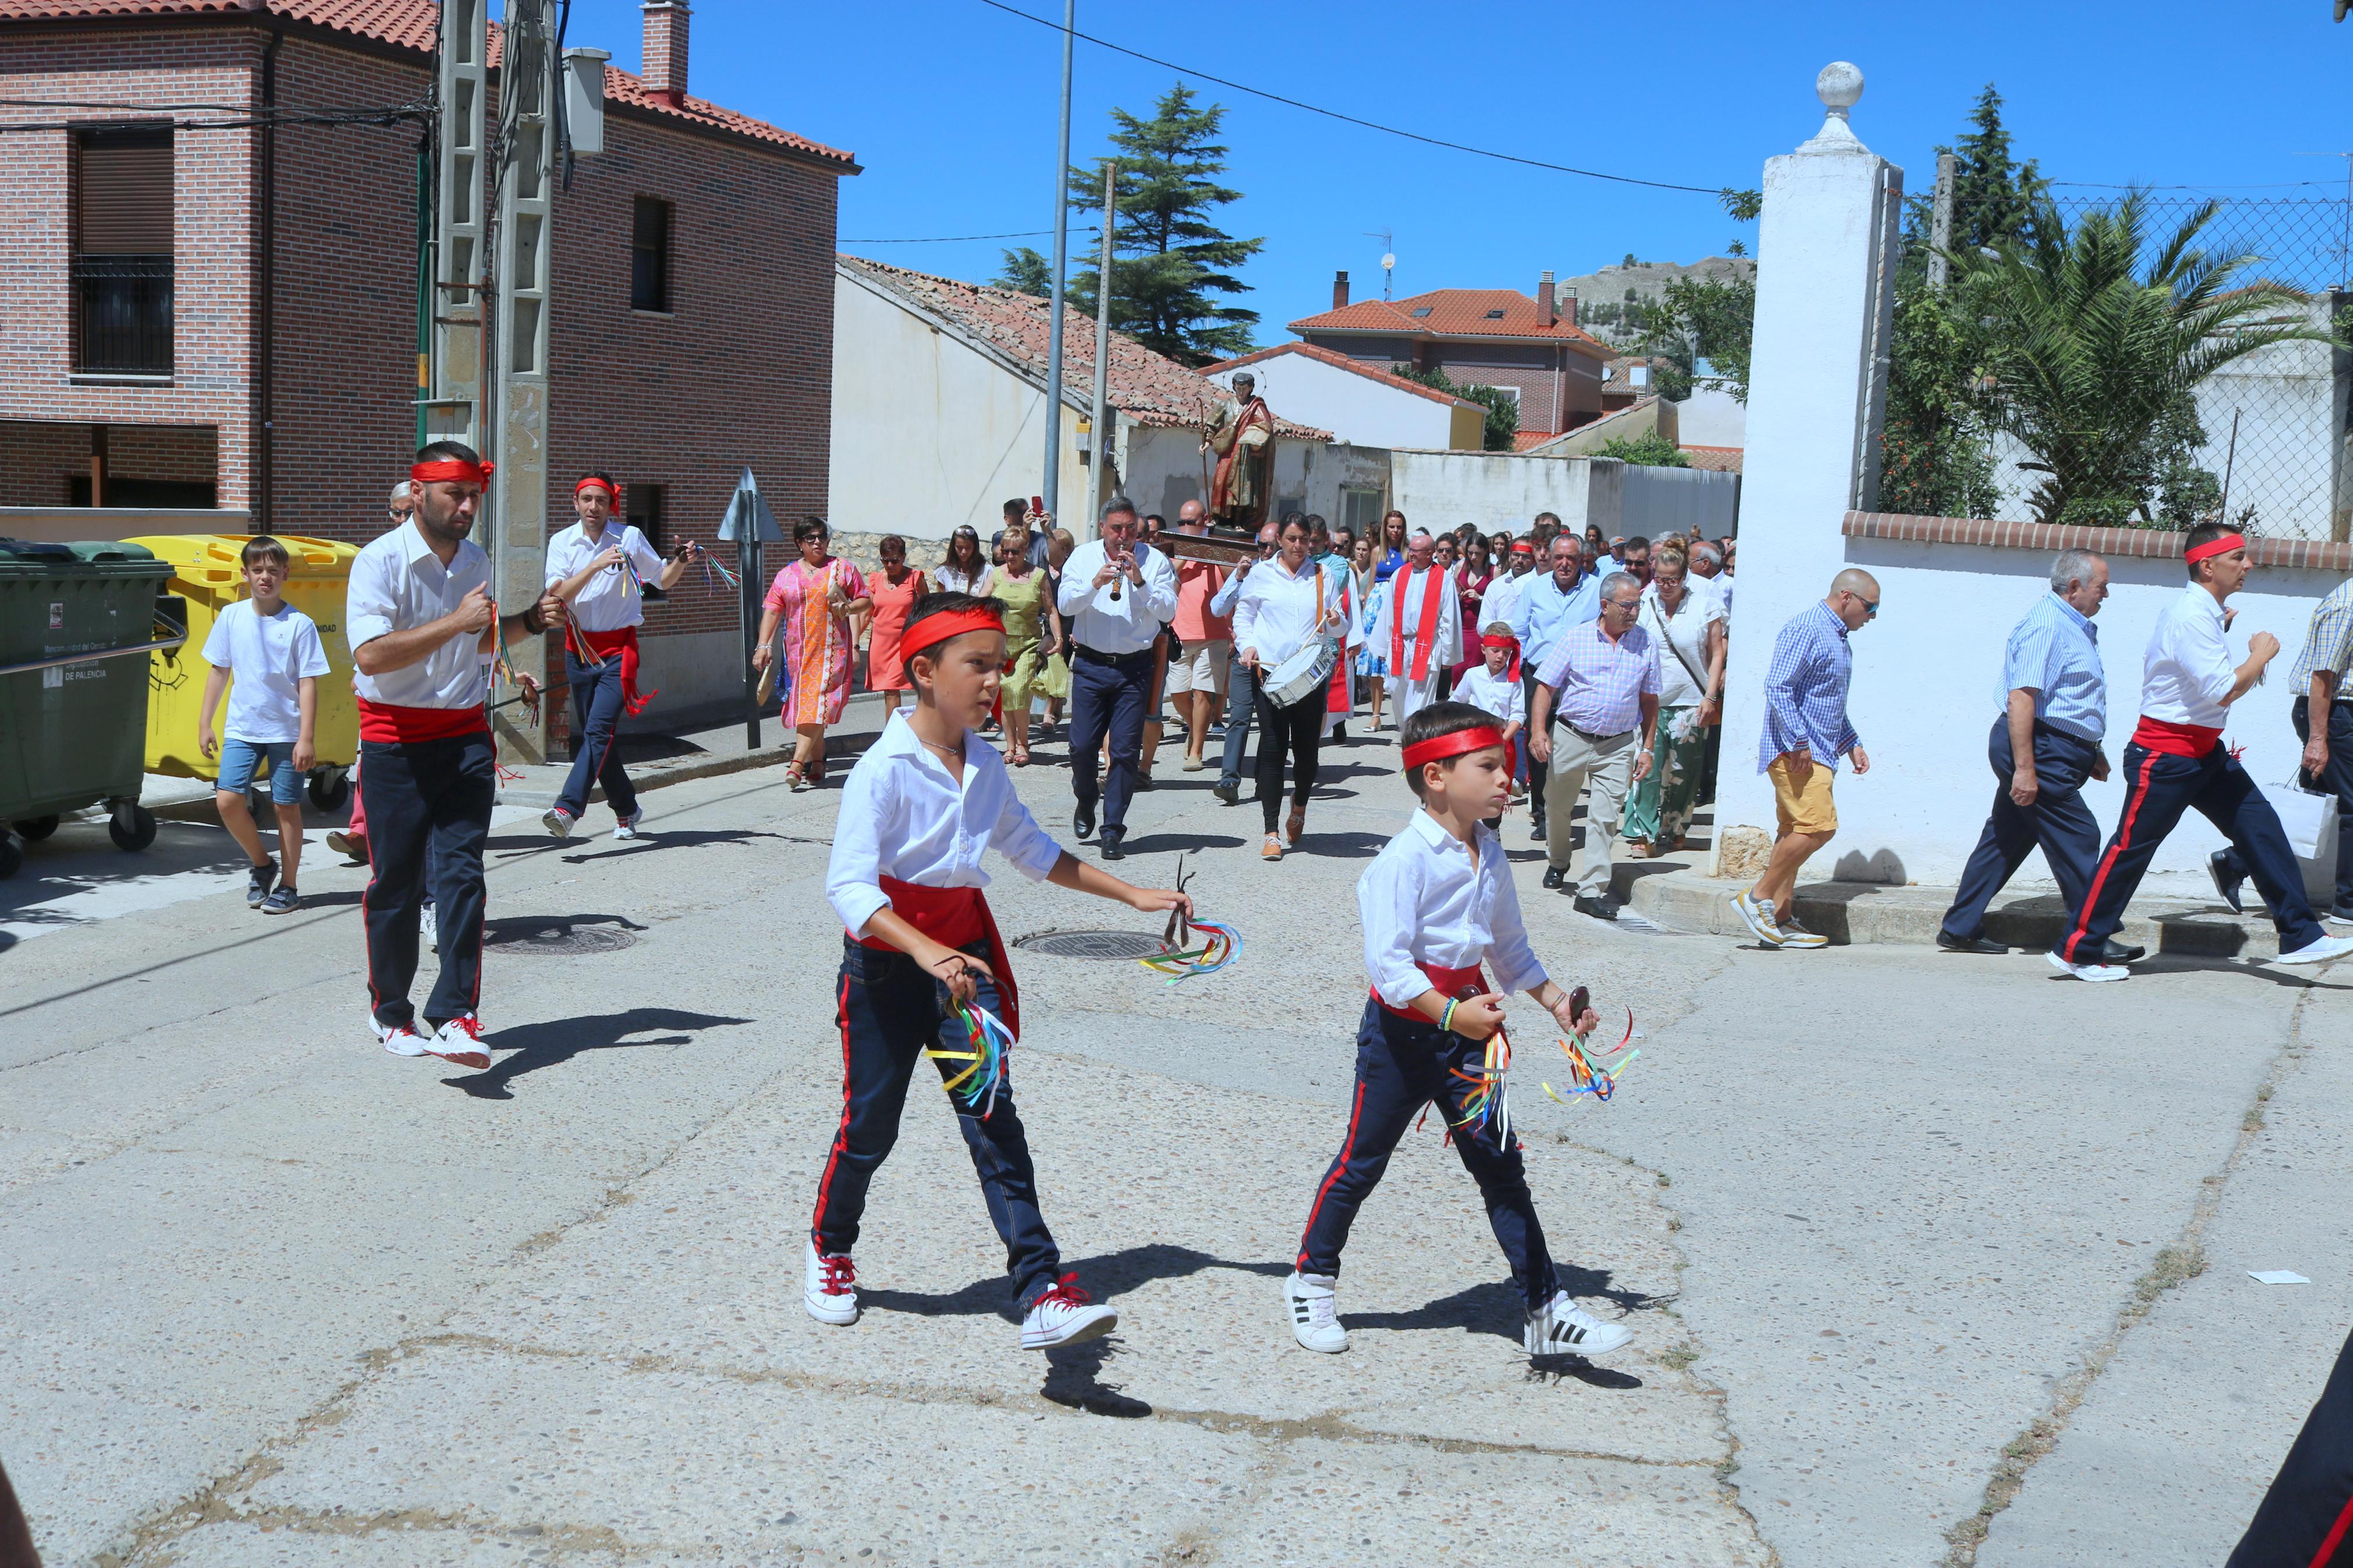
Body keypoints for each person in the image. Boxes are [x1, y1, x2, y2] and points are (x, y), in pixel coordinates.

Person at [814, 591, 1193, 1347]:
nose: (995, 681)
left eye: (1001, 665)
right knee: (868, 1127)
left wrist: (1129, 894)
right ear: (923, 670)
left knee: (993, 1122)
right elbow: (848, 887)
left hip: (966, 965)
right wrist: (924, 950)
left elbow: (1032, 851)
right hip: (888, 970)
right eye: (978, 665)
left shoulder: (984, 763)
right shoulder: (883, 768)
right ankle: (830, 1247)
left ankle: (1040, 1286)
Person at [1282, 701, 1634, 1360]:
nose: (1507, 779)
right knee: (1361, 1162)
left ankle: (1545, 1308)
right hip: (1403, 1036)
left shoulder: (1489, 849)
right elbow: (1388, 968)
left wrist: (1555, 1000)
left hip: (1471, 1033)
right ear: (1436, 776)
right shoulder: (1401, 861)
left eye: (1503, 767)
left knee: (1501, 1170)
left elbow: (1507, 946)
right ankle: (1310, 1280)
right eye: (1489, 767)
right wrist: (1448, 1013)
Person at [2052, 526, 2353, 980]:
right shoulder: (2191, 615)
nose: (2247, 564)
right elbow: (2222, 691)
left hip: (2203, 753)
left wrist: (2227, 631)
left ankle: (2300, 935)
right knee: (2129, 851)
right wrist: (2261, 654)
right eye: (2238, 557)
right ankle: (2076, 948)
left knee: (2261, 828)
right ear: (2208, 566)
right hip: (2165, 755)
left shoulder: (2204, 613)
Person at [349, 440, 566, 1066]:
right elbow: (370, 656)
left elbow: (478, 643)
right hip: (393, 742)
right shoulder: (378, 562)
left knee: (462, 877)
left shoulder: (475, 559)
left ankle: (455, 1016)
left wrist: (531, 619)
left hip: (465, 737)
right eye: (457, 494)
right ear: (418, 493)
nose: (469, 506)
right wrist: (456, 621)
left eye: (476, 494)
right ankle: (391, 1013)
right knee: (396, 883)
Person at [1935, 551, 2139, 958]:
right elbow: (2021, 698)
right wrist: (2025, 769)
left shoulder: (2071, 625)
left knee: (2006, 837)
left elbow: (2066, 697)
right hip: (2037, 747)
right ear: (2076, 587)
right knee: (2079, 835)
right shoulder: (2046, 626)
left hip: (2052, 745)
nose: (2107, 595)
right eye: (2102, 587)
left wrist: (2089, 748)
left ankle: (1959, 926)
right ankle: (2089, 937)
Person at [541, 473, 697, 840]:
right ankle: (626, 807)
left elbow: (662, 579)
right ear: (575, 503)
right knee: (600, 738)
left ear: (612, 505)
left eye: (601, 501)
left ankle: (567, 809)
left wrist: (680, 562)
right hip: (578, 649)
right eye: (587, 500)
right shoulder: (562, 542)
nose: (594, 507)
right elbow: (557, 593)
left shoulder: (629, 538)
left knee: (597, 731)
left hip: (619, 651)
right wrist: (595, 565)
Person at [1731, 570, 1879, 952]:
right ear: (1846, 596)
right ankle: (1757, 897)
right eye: (1870, 606)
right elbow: (1778, 686)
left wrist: (1851, 742)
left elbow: (1825, 700)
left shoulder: (1837, 637)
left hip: (1818, 749)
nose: (1872, 615)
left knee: (1793, 830)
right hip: (1796, 751)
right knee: (1818, 828)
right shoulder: (1807, 627)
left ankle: (1780, 917)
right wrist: (1797, 741)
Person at [196, 535, 329, 914]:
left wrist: (306, 737)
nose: (265, 577)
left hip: (287, 733)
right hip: (242, 728)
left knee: (287, 806)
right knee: (227, 800)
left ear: (285, 574)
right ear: (245, 574)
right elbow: (219, 670)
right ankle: (262, 863)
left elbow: (308, 683)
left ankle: (288, 885)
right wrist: (205, 722)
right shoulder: (231, 616)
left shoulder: (300, 624)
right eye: (258, 570)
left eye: (273, 570)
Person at [1528, 573, 1658, 921]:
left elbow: (1649, 700)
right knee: (1558, 806)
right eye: (1627, 605)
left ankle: (1591, 891)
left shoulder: (1646, 643)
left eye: (1637, 605)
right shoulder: (1576, 638)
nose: (1634, 612)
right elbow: (1545, 687)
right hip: (1571, 736)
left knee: (1605, 817)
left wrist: (1647, 748)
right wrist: (1539, 731)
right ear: (1605, 606)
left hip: (1617, 745)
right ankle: (1558, 860)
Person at [1056, 496, 1177, 861]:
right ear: (1102, 528)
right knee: (1080, 746)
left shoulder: (1155, 561)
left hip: (1134, 668)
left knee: (1125, 752)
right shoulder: (1082, 557)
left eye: (1130, 529)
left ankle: (1113, 831)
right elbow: (1065, 606)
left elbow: (1168, 611)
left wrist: (1140, 582)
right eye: (1116, 529)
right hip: (1091, 665)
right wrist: (1095, 583)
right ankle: (1086, 798)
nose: (1123, 537)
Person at [1234, 514, 1354, 862]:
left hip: (1311, 678)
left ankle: (1299, 805)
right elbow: (1244, 616)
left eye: (1304, 539)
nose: (1298, 546)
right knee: (1272, 750)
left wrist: (1336, 622)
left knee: (1307, 754)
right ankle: (1271, 832)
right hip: (1270, 674)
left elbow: (1338, 625)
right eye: (1291, 539)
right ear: (1280, 540)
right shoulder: (1260, 574)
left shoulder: (1323, 575)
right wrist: (1248, 646)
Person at [754, 517, 872, 793]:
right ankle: (818, 763)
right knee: (813, 706)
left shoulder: (843, 569)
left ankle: (797, 763)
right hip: (798, 655)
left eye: (821, 537)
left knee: (817, 703)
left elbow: (865, 599)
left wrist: (848, 609)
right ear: (799, 543)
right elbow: (772, 611)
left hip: (833, 651)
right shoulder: (786, 576)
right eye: (810, 538)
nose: (817, 542)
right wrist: (763, 646)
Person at [1622, 546, 1725, 858]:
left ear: (1685, 577)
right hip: (1649, 700)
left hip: (1691, 700)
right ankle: (1644, 831)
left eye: (1673, 580)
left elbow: (1717, 652)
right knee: (1648, 768)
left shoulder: (1705, 606)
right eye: (1661, 579)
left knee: (1683, 772)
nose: (1665, 585)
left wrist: (1711, 696)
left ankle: (1677, 825)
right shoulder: (1643, 604)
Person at [1510, 534, 1602, 842]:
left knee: (1570, 747)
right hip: (1539, 675)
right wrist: (1518, 673)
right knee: (1539, 744)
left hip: (1580, 679)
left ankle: (1561, 809)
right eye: (1559, 558)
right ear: (1549, 557)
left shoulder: (1596, 589)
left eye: (1572, 559)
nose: (1565, 564)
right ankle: (1542, 812)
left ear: (1581, 560)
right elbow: (1520, 632)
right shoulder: (1533, 588)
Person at [2285, 569, 2353, 926]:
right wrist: (2317, 739)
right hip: (2336, 715)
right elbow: (2321, 676)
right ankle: (2348, 905)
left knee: (2310, 804)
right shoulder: (2348, 604)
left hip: (2339, 716)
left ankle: (2235, 862)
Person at [1212, 521, 1279, 803]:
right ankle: (1229, 778)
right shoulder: (1248, 571)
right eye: (1260, 545)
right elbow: (1217, 608)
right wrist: (1237, 579)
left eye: (1269, 546)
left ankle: (1264, 779)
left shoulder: (1281, 575)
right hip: (1243, 658)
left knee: (1269, 722)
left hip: (1271, 661)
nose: (1263, 551)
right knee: (1238, 717)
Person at [1372, 530, 1461, 728]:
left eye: (1416, 551)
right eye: (1410, 550)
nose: (1411, 554)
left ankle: (1415, 737)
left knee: (1421, 696)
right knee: (1395, 688)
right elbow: (1388, 612)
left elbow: (1450, 618)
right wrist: (1382, 647)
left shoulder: (1443, 578)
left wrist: (1447, 655)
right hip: (1399, 644)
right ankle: (1407, 730)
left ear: (1430, 553)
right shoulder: (1400, 574)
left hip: (1428, 646)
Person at [1167, 500, 1231, 772]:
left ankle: (1197, 751)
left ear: (1205, 520)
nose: (1185, 527)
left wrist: (1213, 552)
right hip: (1180, 631)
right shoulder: (1172, 549)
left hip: (1214, 632)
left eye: (1190, 522)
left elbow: (1235, 579)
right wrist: (1183, 559)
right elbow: (1165, 582)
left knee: (1203, 693)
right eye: (1181, 522)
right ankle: (1194, 728)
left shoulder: (1218, 544)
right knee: (1179, 693)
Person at [1451, 620, 1525, 829]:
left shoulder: (1515, 681)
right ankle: (1468, 832)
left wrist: (1501, 741)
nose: (1500, 657)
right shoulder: (1473, 675)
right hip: (1473, 740)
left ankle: (1492, 832)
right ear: (1484, 649)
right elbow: (1457, 702)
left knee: (1494, 791)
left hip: (1502, 742)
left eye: (1506, 652)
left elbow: (1518, 715)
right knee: (1470, 787)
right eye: (1495, 651)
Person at [992, 532, 1052, 766]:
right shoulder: (996, 575)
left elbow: (1051, 610)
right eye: (1005, 551)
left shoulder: (1038, 576)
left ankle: (1024, 744)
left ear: (1026, 550)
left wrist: (1057, 639)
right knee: (1006, 690)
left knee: (1019, 690)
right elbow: (981, 603)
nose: (1009, 556)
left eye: (1014, 551)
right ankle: (1010, 746)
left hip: (1029, 644)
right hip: (1002, 645)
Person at [862, 534, 928, 713]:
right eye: (886, 561)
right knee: (890, 690)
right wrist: (853, 642)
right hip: (880, 644)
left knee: (903, 685)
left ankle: (916, 729)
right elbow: (868, 612)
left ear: (904, 558)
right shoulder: (876, 579)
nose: (890, 565)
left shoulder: (915, 578)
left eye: (895, 561)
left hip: (905, 642)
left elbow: (927, 609)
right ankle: (892, 734)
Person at [995, 497, 1052, 570]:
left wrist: (1047, 531)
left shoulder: (1040, 539)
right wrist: (1024, 530)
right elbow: (998, 556)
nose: (1025, 515)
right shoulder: (999, 537)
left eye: (1027, 511)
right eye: (1019, 512)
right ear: (1007, 519)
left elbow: (1055, 561)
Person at [935, 525, 993, 596]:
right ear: (954, 547)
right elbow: (941, 600)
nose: (964, 552)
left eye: (968, 548)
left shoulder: (986, 571)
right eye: (959, 547)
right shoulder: (945, 571)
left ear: (975, 548)